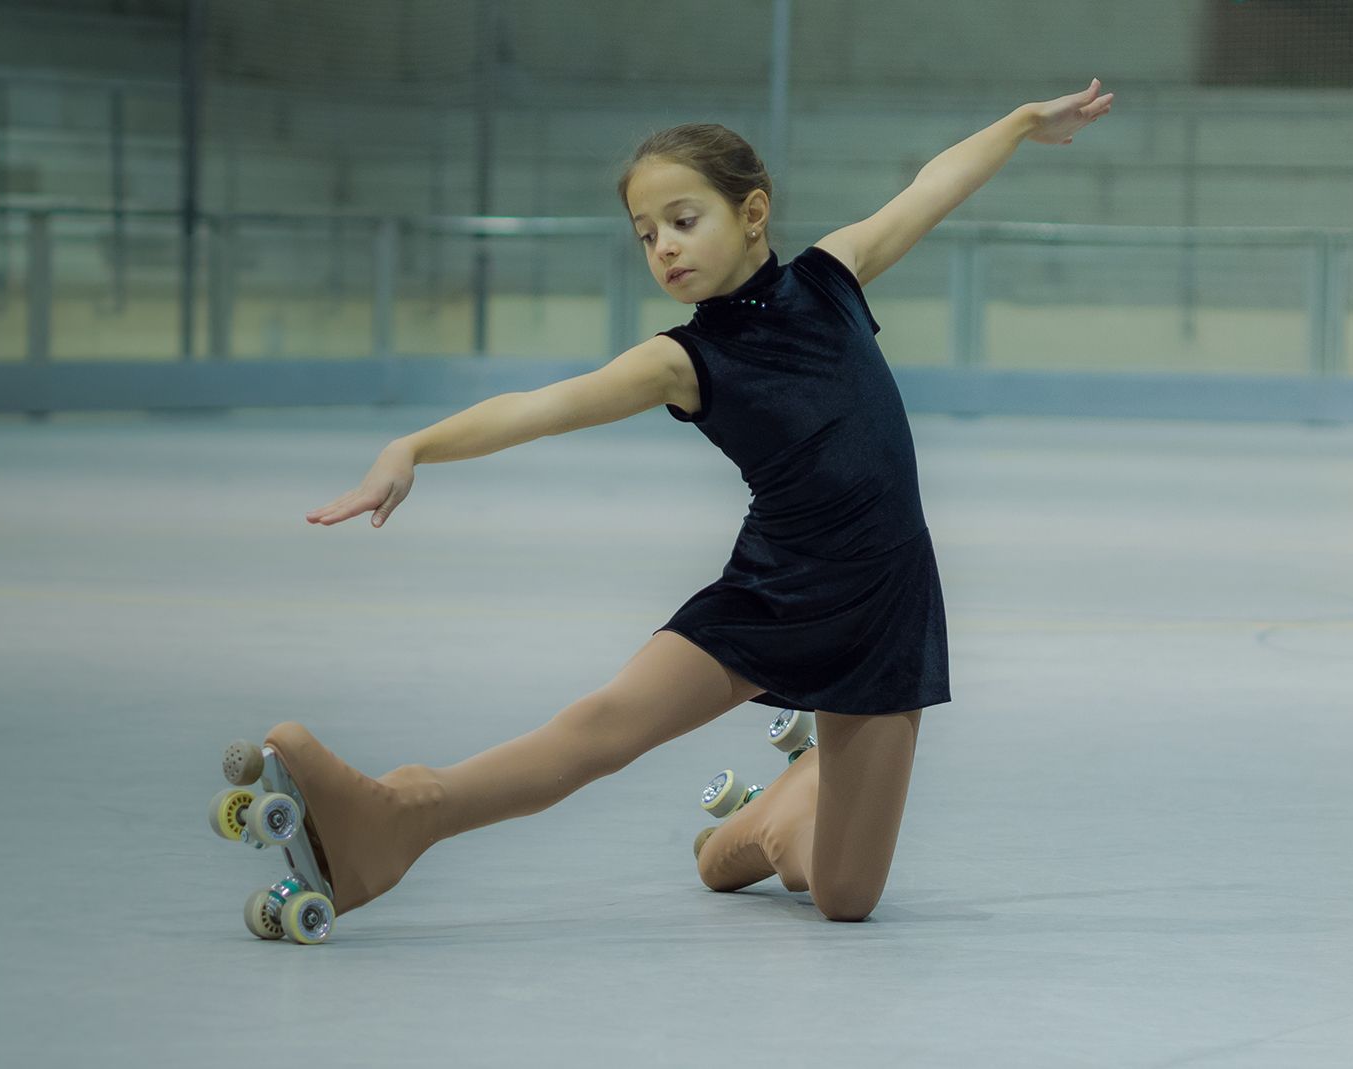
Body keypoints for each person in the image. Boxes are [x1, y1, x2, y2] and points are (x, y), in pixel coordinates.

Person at [281, 80, 1115, 924]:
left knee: (845, 898)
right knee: (601, 728)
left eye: (684, 221)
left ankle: (778, 805)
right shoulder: (680, 360)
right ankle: (399, 815)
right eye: (646, 236)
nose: (664, 249)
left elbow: (934, 185)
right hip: (773, 591)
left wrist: (1016, 125)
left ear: (752, 212)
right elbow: (544, 406)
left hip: (884, 607)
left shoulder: (835, 277)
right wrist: (413, 447)